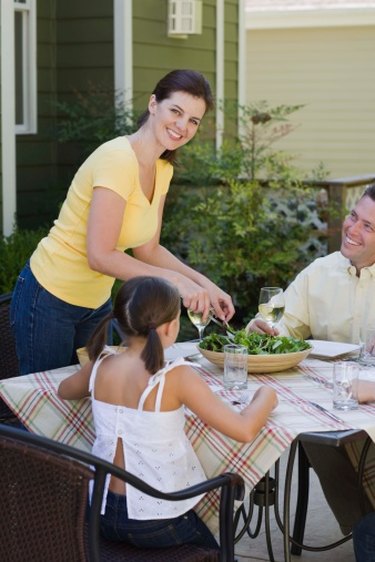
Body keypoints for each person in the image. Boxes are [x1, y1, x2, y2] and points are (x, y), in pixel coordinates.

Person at [11, 69, 234, 376]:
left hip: (97, 305)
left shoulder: (161, 168)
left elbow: (149, 249)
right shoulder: (117, 159)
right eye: (176, 111)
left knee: (96, 405)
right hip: (50, 298)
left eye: (194, 120)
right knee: (48, 409)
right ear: (153, 104)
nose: (183, 126)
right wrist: (177, 283)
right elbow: (100, 255)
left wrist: (204, 286)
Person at [58, 276, 277, 550]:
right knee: (215, 548)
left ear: (121, 322)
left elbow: (64, 391)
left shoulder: (100, 364)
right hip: (155, 522)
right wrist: (267, 395)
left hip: (99, 513)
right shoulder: (175, 376)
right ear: (172, 327)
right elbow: (244, 430)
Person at [246, 182, 375, 344]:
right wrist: (263, 329)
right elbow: (284, 322)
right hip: (326, 370)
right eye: (353, 216)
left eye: (367, 226)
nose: (352, 229)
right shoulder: (318, 272)